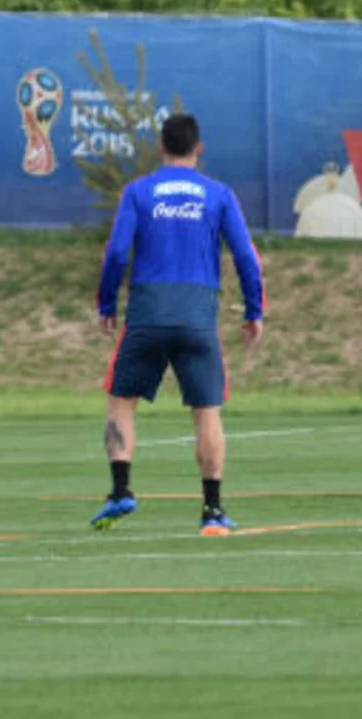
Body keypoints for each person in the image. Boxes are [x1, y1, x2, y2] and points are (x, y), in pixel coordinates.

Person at [92, 113, 265, 537]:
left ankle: (120, 491)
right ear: (199, 148)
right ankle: (212, 510)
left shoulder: (139, 191)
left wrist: (107, 301)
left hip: (148, 313)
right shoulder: (218, 194)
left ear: (160, 146)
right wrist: (253, 310)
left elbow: (116, 253)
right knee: (206, 413)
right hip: (197, 314)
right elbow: (245, 256)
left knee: (121, 403)